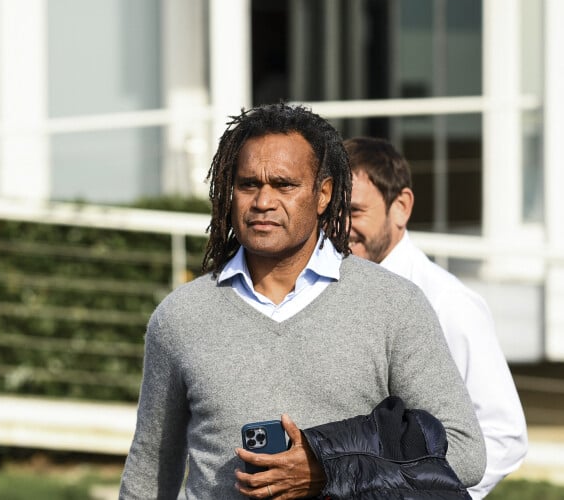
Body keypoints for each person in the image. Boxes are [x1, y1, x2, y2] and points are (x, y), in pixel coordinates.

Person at [119, 103, 485, 499]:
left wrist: (330, 469)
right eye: (248, 185)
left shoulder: (394, 305)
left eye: (283, 185)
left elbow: (465, 452)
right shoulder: (180, 317)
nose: (263, 201)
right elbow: (148, 473)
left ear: (323, 193)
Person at [344, 136, 528, 499]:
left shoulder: (448, 302)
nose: (338, 228)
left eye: (353, 211)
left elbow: (504, 434)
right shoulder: (329, 287)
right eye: (329, 213)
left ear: (401, 207)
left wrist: (419, 493)